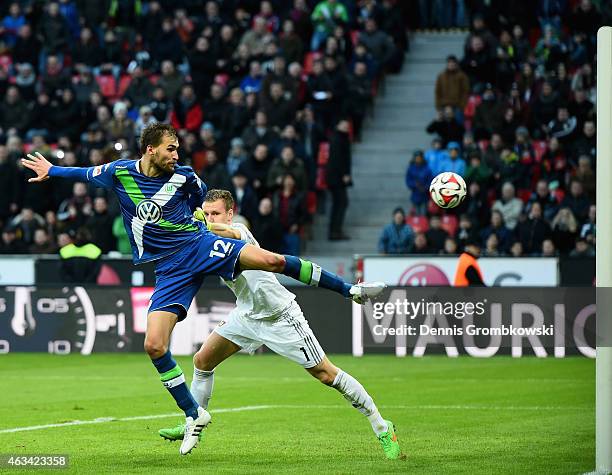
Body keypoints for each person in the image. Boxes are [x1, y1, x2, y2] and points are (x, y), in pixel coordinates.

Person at [21, 123, 384, 456]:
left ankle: (350, 290)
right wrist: (51, 170)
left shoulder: (187, 178)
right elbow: (83, 172)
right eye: (170, 149)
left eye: (178, 149)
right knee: (154, 345)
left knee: (273, 262)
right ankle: (194, 414)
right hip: (169, 269)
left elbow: (204, 214)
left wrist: (210, 226)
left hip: (198, 248)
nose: (176, 155)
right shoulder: (119, 172)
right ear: (150, 149)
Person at [158, 190, 403, 460]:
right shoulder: (205, 244)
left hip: (280, 316)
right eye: (207, 213)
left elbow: (227, 234)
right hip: (246, 315)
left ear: (230, 214)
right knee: (202, 360)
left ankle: (382, 427)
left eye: (216, 213)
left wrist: (201, 223)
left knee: (326, 374)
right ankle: (194, 420)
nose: (211, 218)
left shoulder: (239, 233)